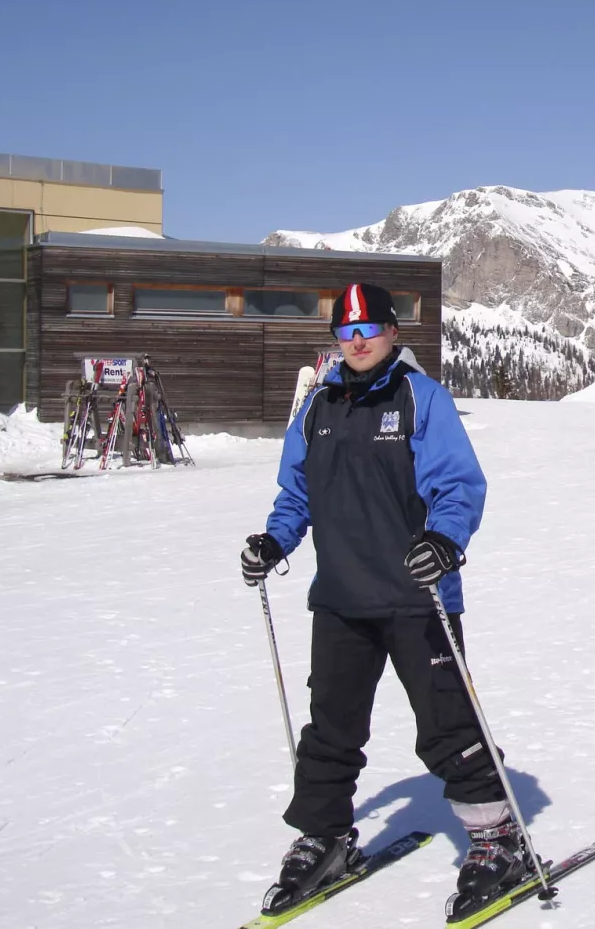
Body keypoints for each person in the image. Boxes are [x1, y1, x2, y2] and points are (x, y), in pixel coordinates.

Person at [239, 283, 520, 918]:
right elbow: (295, 496)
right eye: (346, 331)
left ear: (392, 333)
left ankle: (495, 839)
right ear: (335, 340)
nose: (358, 340)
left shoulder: (421, 398)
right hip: (340, 597)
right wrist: (274, 542)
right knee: (331, 728)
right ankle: (327, 835)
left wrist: (445, 542)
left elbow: (458, 486)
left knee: (448, 726)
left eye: (369, 328)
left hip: (418, 597)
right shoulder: (316, 408)